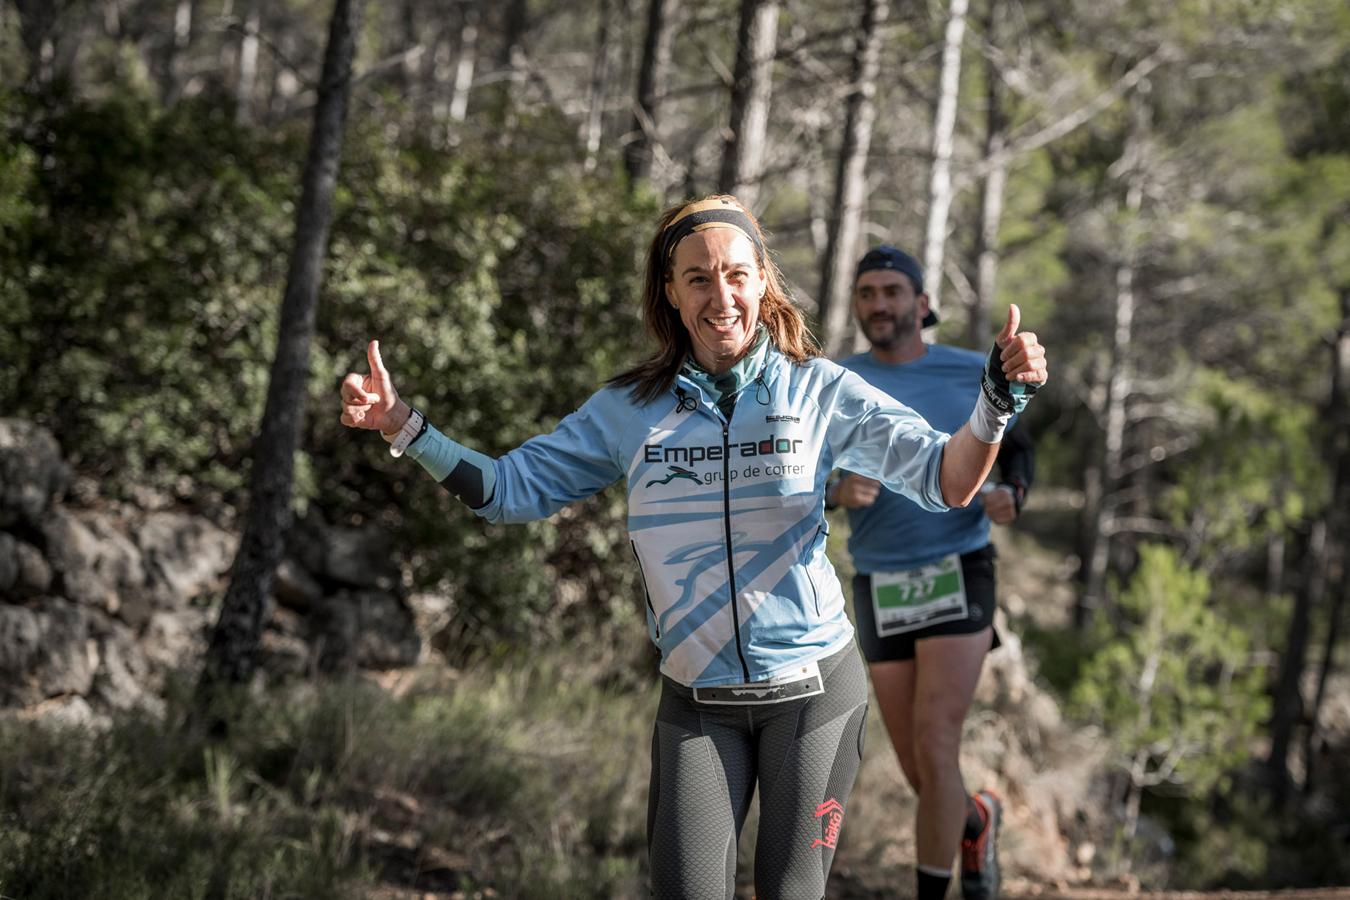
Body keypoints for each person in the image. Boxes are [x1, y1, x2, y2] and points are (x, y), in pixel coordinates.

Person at [338, 197, 1047, 899]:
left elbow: (948, 480)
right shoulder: (628, 410)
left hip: (812, 695)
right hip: (697, 700)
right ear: (671, 293)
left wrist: (995, 403)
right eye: (699, 278)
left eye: (736, 274)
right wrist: (407, 427)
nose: (721, 296)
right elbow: (506, 492)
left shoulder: (819, 390)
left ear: (763, 280)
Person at [826, 245, 1038, 900]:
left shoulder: (973, 370)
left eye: (892, 291)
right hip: (879, 578)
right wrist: (836, 492)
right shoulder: (834, 381)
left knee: (936, 741)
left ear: (922, 304)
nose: (879, 304)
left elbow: (1019, 452)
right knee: (922, 770)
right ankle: (977, 820)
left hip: (957, 565)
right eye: (866, 293)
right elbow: (803, 473)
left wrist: (1014, 494)